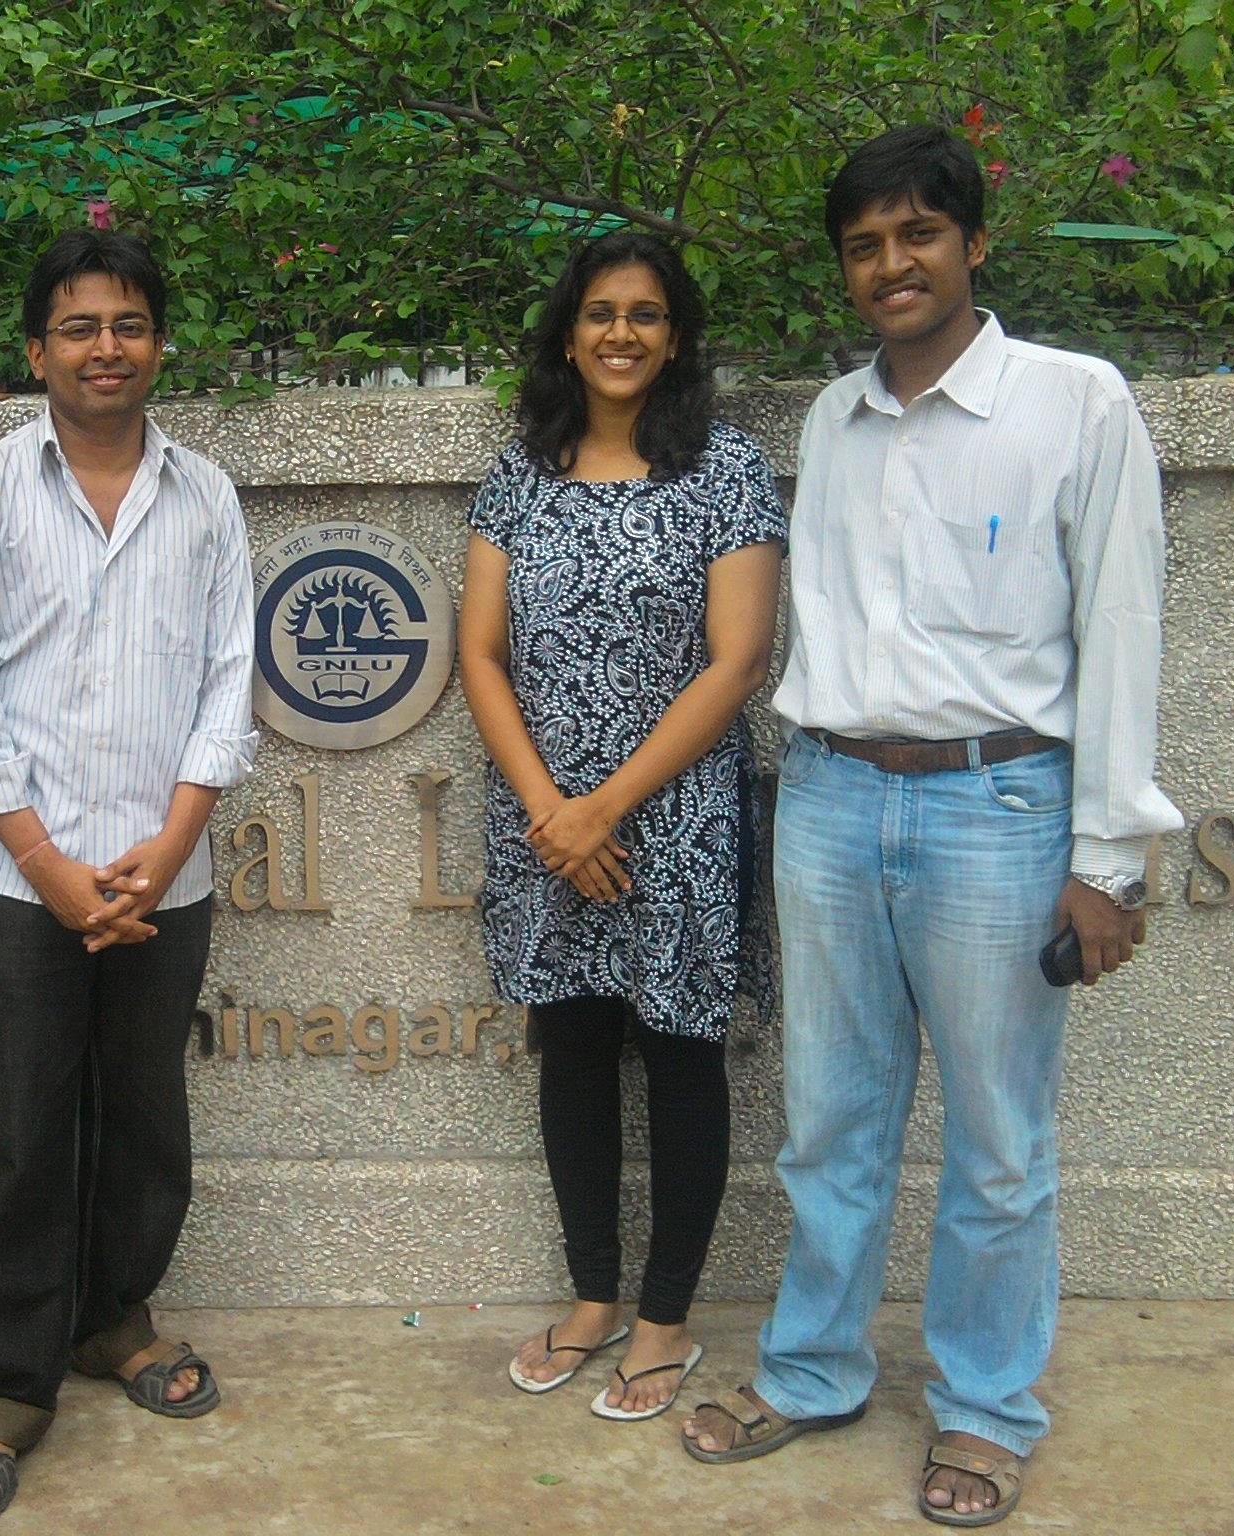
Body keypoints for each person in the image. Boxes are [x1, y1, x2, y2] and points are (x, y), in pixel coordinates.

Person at [679, 125, 1181, 1527]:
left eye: (917, 235)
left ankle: (982, 1409)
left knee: (1001, 1141)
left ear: (972, 244)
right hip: (834, 795)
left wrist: (1107, 859)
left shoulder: (1078, 404)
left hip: (1000, 803)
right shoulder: (837, 420)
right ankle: (816, 1366)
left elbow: (1121, 630)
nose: (891, 265)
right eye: (864, 245)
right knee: (831, 1118)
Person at [0, 228, 256, 1528]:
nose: (104, 348)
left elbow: (231, 678)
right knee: (14, 1130)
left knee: (146, 1120)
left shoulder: (207, 498)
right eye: (78, 327)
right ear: (35, 351)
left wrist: (169, 846)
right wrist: (52, 867)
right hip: (21, 883)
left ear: (158, 343)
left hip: (167, 872)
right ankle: (5, 1380)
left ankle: (116, 1320)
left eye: (127, 325)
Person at [457, 232, 785, 1423]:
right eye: (599, 312)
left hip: (675, 814)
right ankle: (591, 1298)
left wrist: (605, 805)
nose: (620, 334)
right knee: (575, 1048)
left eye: (645, 314)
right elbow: (476, 653)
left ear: (677, 336)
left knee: (683, 1053)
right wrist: (552, 810)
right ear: (566, 332)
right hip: (543, 816)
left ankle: (663, 1320)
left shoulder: (724, 470)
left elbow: (736, 658)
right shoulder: (519, 472)